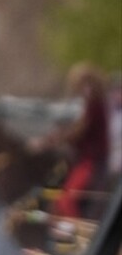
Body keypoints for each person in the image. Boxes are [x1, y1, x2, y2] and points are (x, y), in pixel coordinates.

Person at [35, 62, 111, 220]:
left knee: (66, 201)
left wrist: (50, 141)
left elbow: (78, 131)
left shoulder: (94, 105)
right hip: (85, 160)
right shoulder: (90, 105)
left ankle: (79, 234)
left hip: (92, 162)